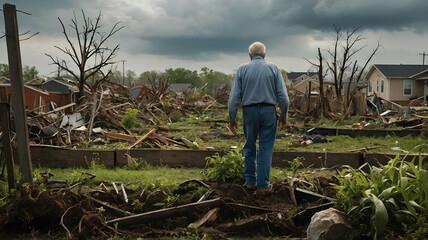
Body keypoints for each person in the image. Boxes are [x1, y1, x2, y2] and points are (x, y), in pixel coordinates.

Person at [228, 41, 289, 190]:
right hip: (268, 111)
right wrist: (284, 114)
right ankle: (263, 186)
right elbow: (283, 97)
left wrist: (232, 118)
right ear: (264, 55)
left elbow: (234, 97)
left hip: (249, 112)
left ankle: (250, 182)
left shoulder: (242, 69)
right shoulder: (273, 69)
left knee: (249, 146)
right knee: (265, 148)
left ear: (250, 55)